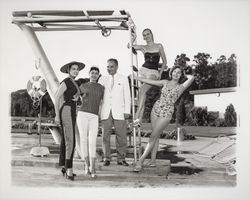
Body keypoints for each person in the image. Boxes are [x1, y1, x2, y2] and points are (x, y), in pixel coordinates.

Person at [132, 65, 194, 172]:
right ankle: (152, 161)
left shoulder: (181, 87)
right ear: (171, 73)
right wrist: (138, 78)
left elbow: (192, 78)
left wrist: (184, 74)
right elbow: (150, 82)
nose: (176, 74)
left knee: (153, 136)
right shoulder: (165, 82)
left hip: (166, 113)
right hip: (156, 109)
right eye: (174, 71)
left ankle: (140, 160)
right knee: (155, 136)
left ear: (180, 75)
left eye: (178, 72)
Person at [54, 61, 85, 180]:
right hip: (66, 110)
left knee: (67, 140)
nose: (76, 71)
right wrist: (57, 115)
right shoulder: (66, 81)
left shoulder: (74, 82)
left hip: (72, 110)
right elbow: (57, 97)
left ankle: (65, 167)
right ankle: (69, 169)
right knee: (70, 140)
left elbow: (75, 97)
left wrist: (77, 99)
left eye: (77, 69)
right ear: (68, 70)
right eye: (73, 69)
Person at [98, 58, 131, 166]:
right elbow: (98, 96)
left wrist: (127, 111)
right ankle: (106, 158)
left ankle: (121, 159)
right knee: (105, 136)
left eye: (111, 66)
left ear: (117, 67)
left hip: (120, 111)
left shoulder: (124, 78)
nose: (109, 68)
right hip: (105, 111)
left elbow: (127, 96)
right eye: (107, 66)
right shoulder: (102, 79)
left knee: (121, 136)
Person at [132, 28, 168, 126]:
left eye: (148, 34)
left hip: (153, 72)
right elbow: (129, 46)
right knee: (141, 94)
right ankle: (138, 120)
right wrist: (133, 37)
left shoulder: (159, 46)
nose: (146, 36)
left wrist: (160, 73)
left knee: (143, 90)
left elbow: (164, 61)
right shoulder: (143, 47)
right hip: (143, 71)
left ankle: (136, 114)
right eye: (144, 35)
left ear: (152, 34)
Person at [76, 66, 104, 178]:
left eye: (96, 73)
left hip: (94, 116)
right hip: (82, 114)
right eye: (92, 73)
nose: (94, 75)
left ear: (98, 75)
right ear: (89, 74)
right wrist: (80, 98)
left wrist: (100, 115)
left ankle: (93, 167)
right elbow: (76, 96)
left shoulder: (101, 88)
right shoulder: (83, 86)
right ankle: (87, 166)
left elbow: (101, 103)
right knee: (83, 140)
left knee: (92, 141)